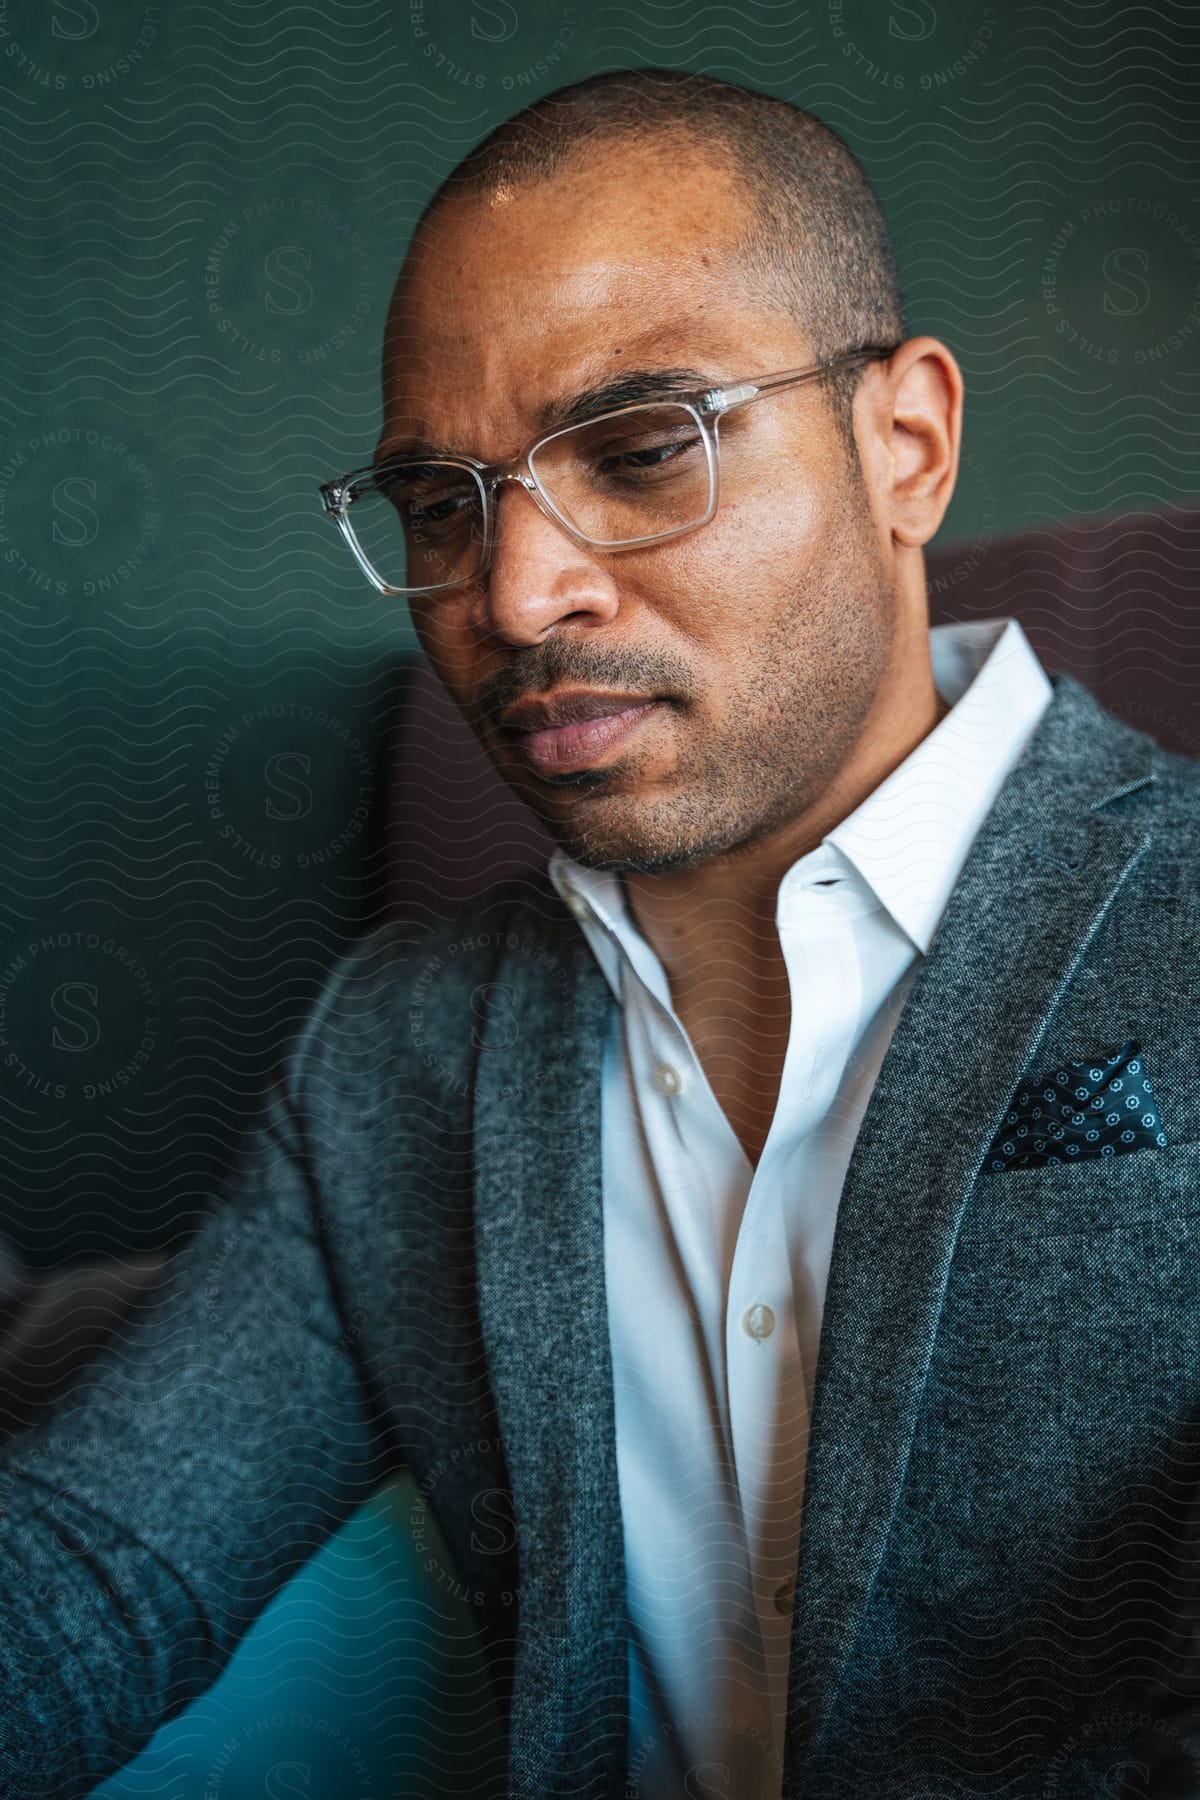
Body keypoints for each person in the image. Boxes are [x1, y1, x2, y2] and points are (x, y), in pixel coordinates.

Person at [1, 64, 1199, 1800]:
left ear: (908, 447)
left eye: (643, 454)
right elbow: (96, 1570)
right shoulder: (401, 1047)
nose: (512, 593)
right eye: (440, 505)